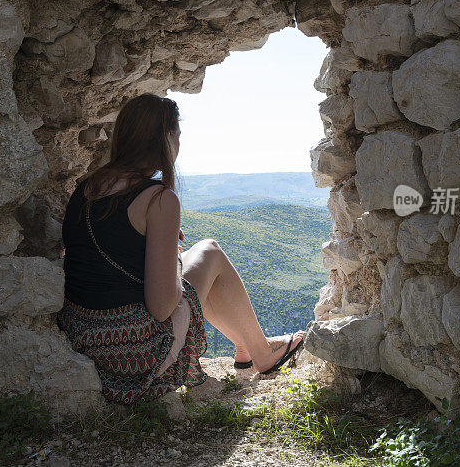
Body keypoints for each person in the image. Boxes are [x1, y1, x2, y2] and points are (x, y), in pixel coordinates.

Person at [56, 93, 305, 404]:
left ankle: (247, 347)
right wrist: (173, 249)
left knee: (198, 260)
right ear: (167, 137)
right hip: (130, 352)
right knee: (209, 251)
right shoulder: (158, 198)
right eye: (178, 135)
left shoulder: (87, 186)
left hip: (82, 336)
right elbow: (162, 306)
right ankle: (262, 354)